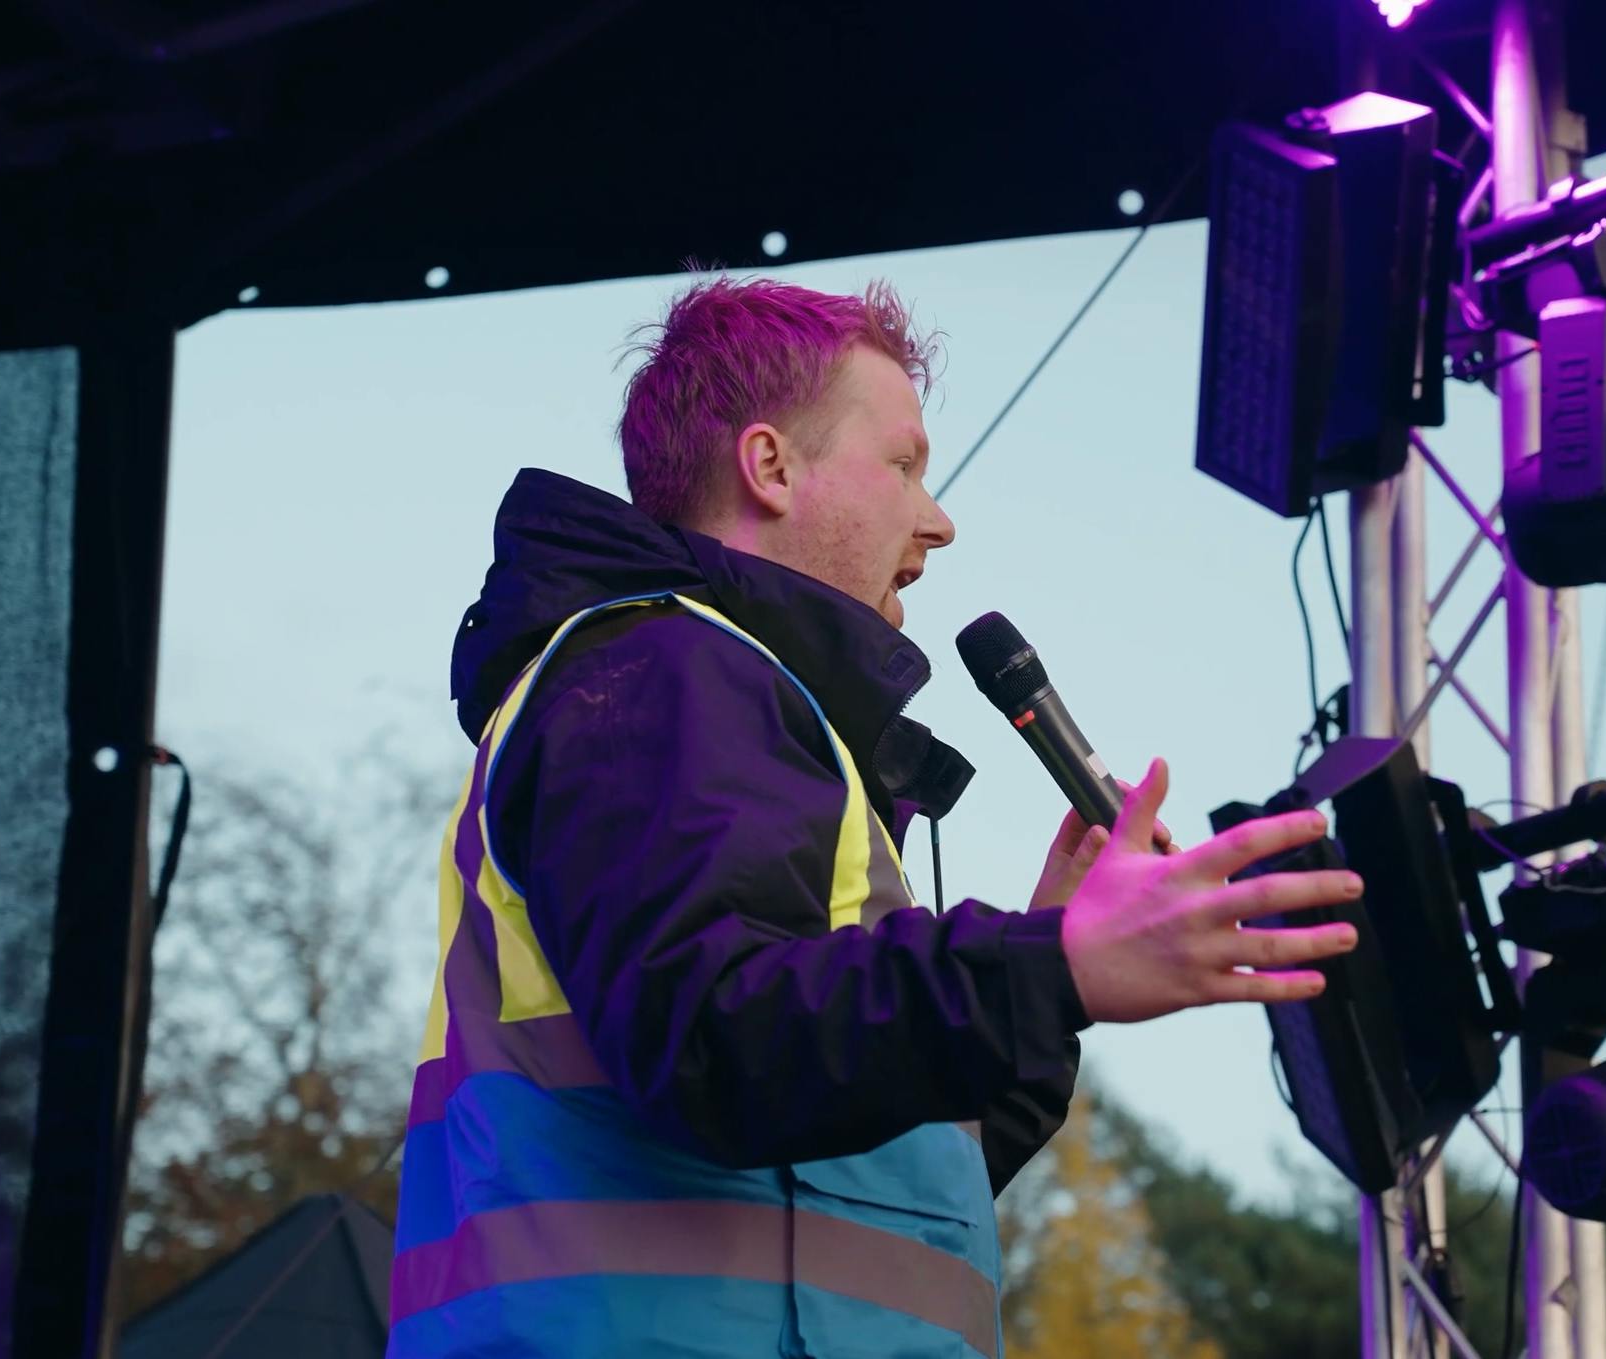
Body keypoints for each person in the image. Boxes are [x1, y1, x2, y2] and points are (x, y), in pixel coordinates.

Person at [387, 277, 1363, 1358]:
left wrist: (1047, 991)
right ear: (771, 467)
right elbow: (718, 1039)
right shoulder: (671, 670)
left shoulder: (714, 699)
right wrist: (1050, 966)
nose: (937, 520)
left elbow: (866, 1168)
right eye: (903, 465)